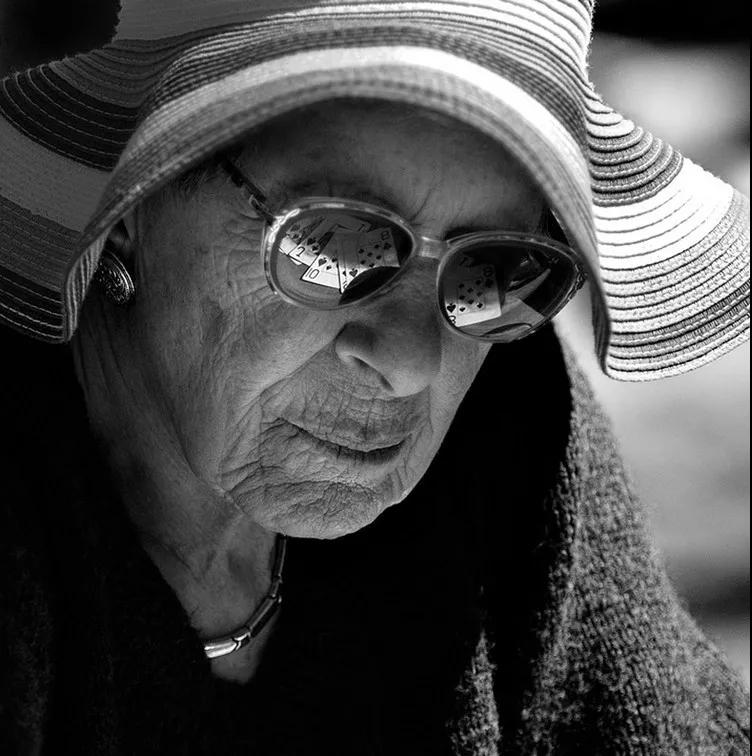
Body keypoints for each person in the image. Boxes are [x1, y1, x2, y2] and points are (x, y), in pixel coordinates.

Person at [0, 0, 749, 753]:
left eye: (494, 268)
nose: (411, 361)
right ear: (128, 200)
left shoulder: (511, 414)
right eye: (332, 247)